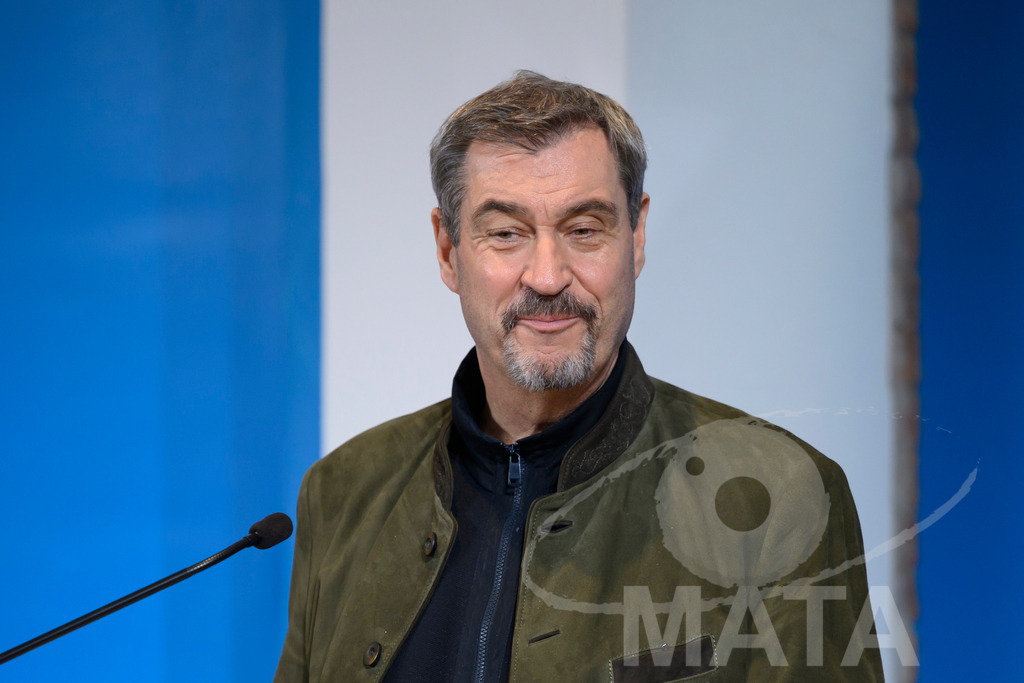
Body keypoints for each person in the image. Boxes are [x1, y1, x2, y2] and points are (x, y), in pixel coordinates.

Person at [274, 71, 884, 682]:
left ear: (637, 236)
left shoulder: (778, 499)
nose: (546, 275)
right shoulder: (344, 494)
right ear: (447, 250)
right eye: (506, 233)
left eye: (584, 229)